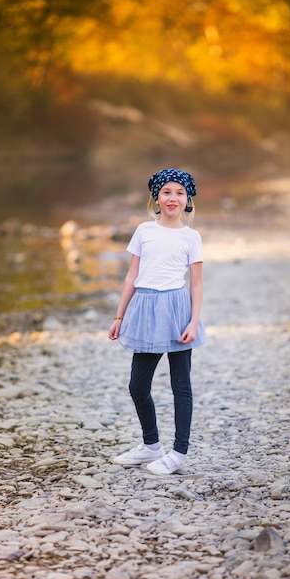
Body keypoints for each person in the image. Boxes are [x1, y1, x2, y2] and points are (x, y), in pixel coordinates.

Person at [108, 168, 206, 475]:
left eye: (179, 192)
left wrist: (193, 321)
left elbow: (197, 284)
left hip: (177, 311)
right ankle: (151, 445)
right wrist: (119, 315)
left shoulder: (191, 237)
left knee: (181, 385)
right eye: (167, 192)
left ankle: (179, 452)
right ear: (156, 198)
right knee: (138, 385)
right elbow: (132, 276)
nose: (173, 198)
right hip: (146, 310)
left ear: (188, 199)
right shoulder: (144, 231)